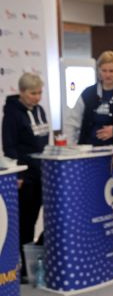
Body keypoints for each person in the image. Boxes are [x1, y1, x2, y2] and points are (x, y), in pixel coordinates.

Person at [2, 72, 49, 281]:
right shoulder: (12, 114)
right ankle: (22, 268)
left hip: (41, 174)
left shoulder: (39, 110)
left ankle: (33, 259)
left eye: (39, 93)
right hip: (25, 177)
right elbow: (9, 146)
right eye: (32, 93)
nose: (37, 97)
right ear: (21, 92)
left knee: (40, 219)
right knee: (25, 222)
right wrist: (18, 173)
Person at [64, 50, 113, 146]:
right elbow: (72, 123)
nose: (107, 75)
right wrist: (71, 147)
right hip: (88, 151)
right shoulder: (87, 94)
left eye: (111, 71)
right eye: (104, 70)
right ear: (98, 70)